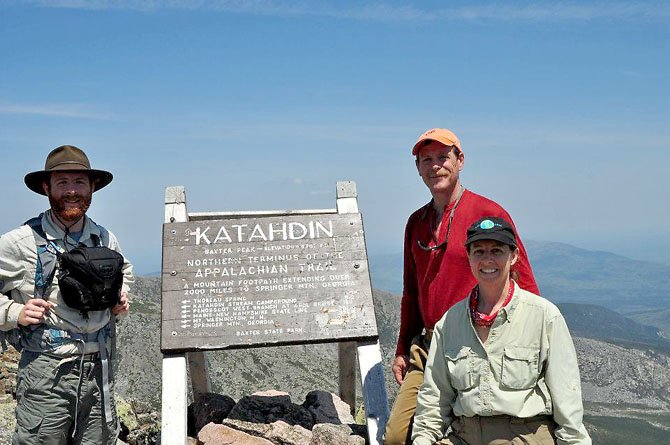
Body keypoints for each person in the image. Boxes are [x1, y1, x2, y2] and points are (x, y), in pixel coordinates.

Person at [384, 128, 539, 445]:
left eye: (443, 157)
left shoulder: (488, 214)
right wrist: (402, 348)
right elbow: (411, 293)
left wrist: (532, 345)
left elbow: (522, 280)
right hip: (427, 348)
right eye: (426, 160)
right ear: (417, 168)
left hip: (478, 345)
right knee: (398, 437)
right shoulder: (417, 222)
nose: (435, 166)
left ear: (460, 160)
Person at [411, 217, 590, 445]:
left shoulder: (544, 316)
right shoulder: (449, 323)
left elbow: (567, 398)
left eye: (497, 251)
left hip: (524, 435)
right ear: (469, 257)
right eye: (479, 252)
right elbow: (434, 398)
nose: (487, 259)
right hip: (464, 435)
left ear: (513, 256)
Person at [0, 145, 133, 444]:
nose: (72, 191)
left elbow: (126, 272)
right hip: (46, 374)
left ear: (92, 187)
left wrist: (122, 297)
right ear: (46, 187)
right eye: (62, 183)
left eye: (79, 183)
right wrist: (13, 313)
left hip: (100, 371)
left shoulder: (105, 238)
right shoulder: (20, 242)